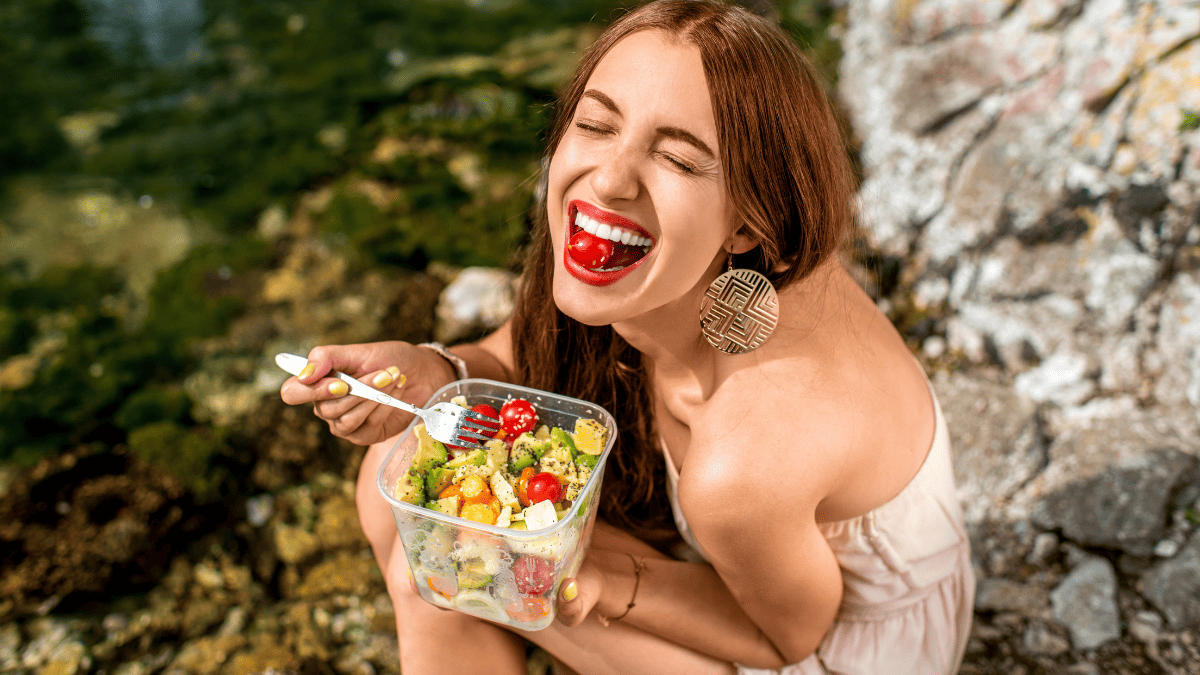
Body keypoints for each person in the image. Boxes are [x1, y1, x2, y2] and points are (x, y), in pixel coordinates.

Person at [280, 1, 975, 673]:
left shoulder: (747, 450)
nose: (609, 179)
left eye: (676, 159)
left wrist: (606, 579)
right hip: (752, 571)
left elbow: (787, 636)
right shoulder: (715, 274)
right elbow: (517, 355)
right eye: (595, 124)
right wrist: (437, 369)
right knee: (398, 477)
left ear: (745, 223)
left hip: (836, 648)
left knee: (441, 555)